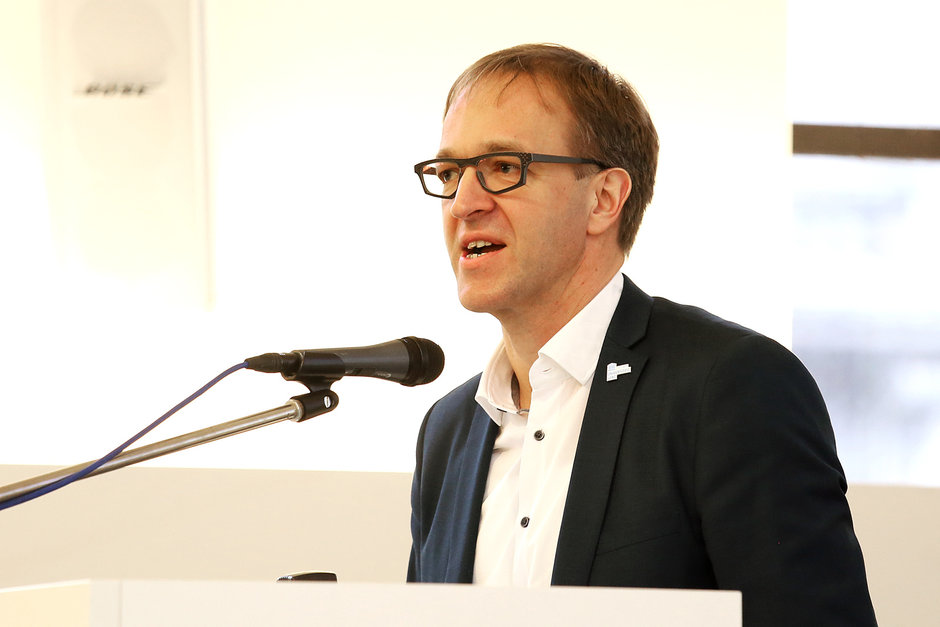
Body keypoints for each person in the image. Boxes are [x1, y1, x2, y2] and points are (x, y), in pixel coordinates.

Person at [407, 43, 876, 626]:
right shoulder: (447, 430)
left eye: (503, 168)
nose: (463, 203)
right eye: (449, 173)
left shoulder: (730, 387)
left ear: (604, 199)